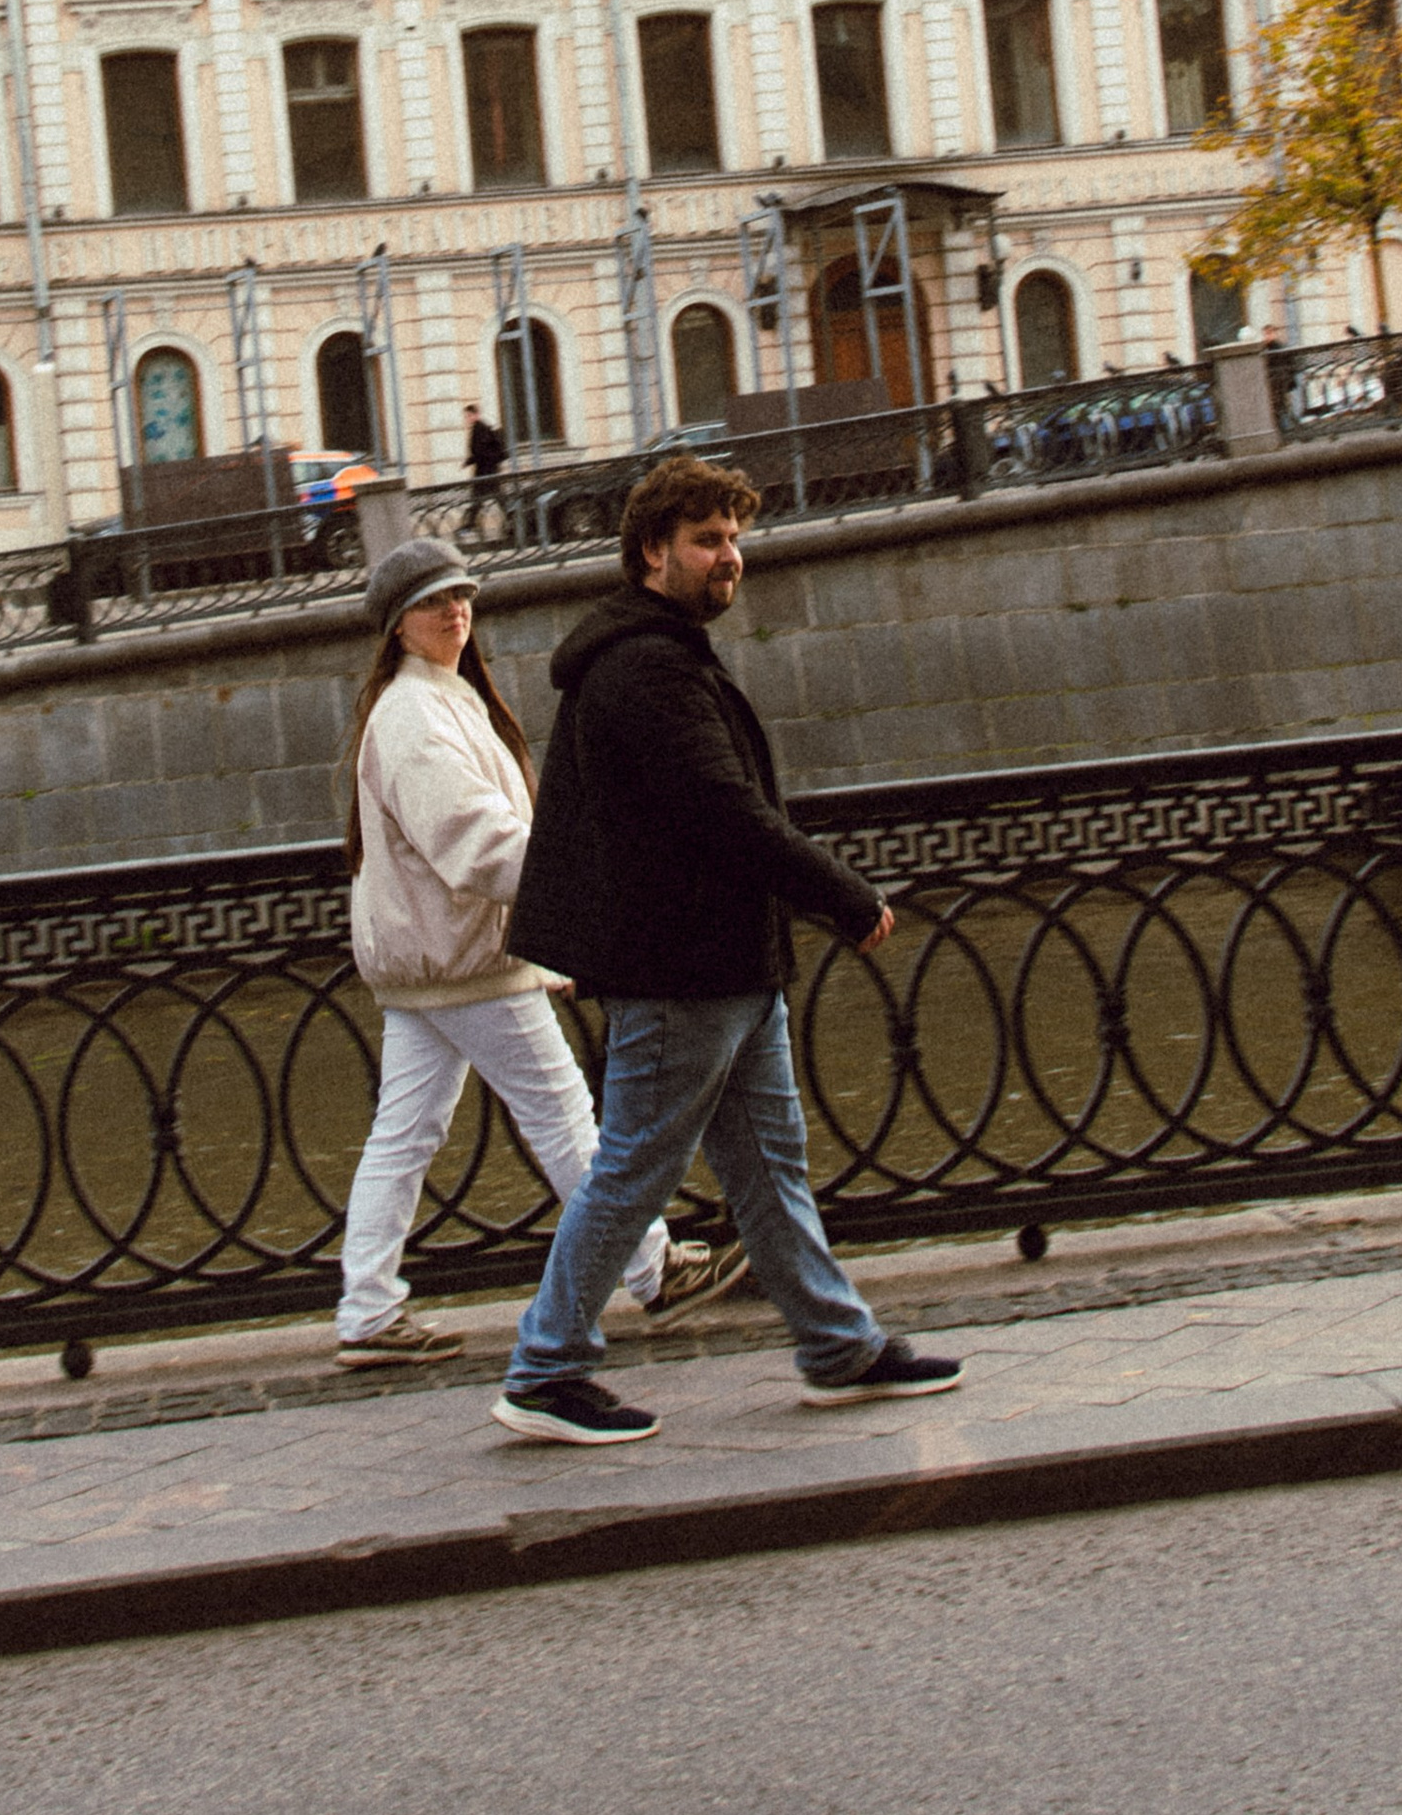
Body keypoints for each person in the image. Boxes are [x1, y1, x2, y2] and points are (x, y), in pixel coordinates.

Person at [492, 452, 965, 1443]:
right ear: (651, 550)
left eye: (734, 539)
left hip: (727, 963)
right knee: (632, 1168)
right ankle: (544, 1368)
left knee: (767, 1166)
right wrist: (839, 892)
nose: (729, 558)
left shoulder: (657, 649)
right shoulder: (643, 666)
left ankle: (837, 1348)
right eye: (707, 540)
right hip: (681, 968)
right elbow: (723, 809)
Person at [333, 533, 729, 1366]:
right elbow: (475, 843)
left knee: (405, 1135)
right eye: (434, 603)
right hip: (470, 960)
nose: (455, 611)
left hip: (440, 961)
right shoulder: (415, 715)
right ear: (397, 627)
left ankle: (367, 1310)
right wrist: (582, 878)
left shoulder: (436, 697)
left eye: (462, 595)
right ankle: (652, 1269)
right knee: (564, 1117)